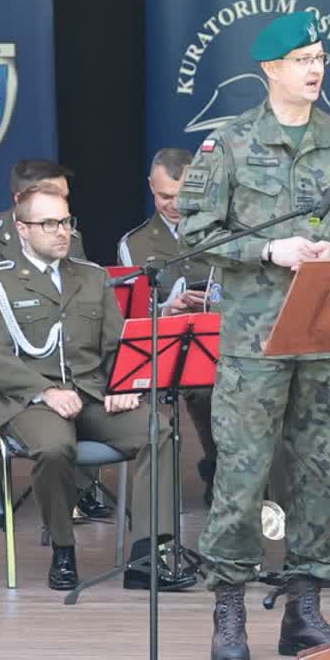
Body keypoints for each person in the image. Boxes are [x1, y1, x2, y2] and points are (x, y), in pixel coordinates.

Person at [178, 12, 330, 660]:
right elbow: (194, 230)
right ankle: (229, 616)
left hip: (326, 334)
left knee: (324, 477)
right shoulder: (230, 143)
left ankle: (304, 609)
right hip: (256, 341)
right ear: (270, 69)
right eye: (302, 58)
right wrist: (267, 248)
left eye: (320, 57)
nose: (314, 67)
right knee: (241, 478)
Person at [0, 185, 193, 593]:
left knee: (158, 429)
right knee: (55, 448)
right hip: (31, 402)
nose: (61, 232)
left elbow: (114, 345)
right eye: (48, 223)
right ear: (22, 229)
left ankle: (145, 557)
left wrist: (125, 385)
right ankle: (64, 549)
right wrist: (45, 391)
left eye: (66, 222)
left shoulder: (93, 277)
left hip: (92, 396)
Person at [0, 158, 107, 528]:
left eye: (65, 204)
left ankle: (81, 487)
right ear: (21, 201)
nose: (63, 216)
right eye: (53, 199)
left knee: (83, 366)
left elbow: (80, 302)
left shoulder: (71, 238)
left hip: (52, 344)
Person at [117, 147, 219, 506]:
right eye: (164, 196)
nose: (173, 205)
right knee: (206, 391)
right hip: (170, 347)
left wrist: (212, 302)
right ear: (150, 187)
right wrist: (166, 309)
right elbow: (131, 317)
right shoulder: (135, 244)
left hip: (224, 337)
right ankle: (219, 465)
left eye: (183, 196)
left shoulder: (221, 229)